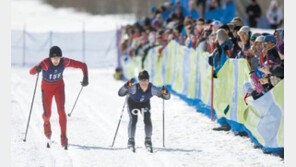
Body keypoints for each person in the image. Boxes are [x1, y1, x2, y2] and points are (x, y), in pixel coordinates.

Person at [29, 46, 89, 149]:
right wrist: (37, 68)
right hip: (46, 88)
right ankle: (47, 125)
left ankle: (64, 138)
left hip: (59, 87)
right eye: (53, 58)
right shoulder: (45, 63)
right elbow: (31, 72)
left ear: (61, 58)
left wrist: (85, 77)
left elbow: (83, 65)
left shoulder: (64, 61)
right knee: (47, 115)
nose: (56, 60)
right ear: (50, 58)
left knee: (61, 111)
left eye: (58, 58)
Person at [118, 70, 171, 152]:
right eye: (142, 81)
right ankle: (131, 141)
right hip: (133, 103)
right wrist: (126, 86)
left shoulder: (152, 88)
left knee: (147, 119)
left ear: (148, 80)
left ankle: (148, 140)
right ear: (139, 81)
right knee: (133, 119)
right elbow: (120, 93)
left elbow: (165, 97)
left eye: (146, 81)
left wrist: (166, 92)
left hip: (144, 104)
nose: (144, 84)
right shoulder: (134, 87)